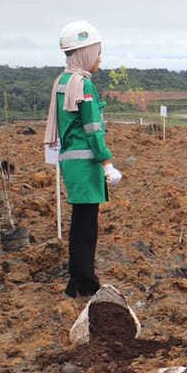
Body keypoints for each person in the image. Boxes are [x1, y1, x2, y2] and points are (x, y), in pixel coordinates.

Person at [42, 21, 122, 298]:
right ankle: (87, 283)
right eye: (97, 53)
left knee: (81, 224)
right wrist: (107, 163)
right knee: (86, 228)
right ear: (85, 53)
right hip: (86, 164)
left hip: (71, 163)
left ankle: (76, 282)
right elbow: (92, 129)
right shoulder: (83, 85)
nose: (100, 59)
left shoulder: (63, 81)